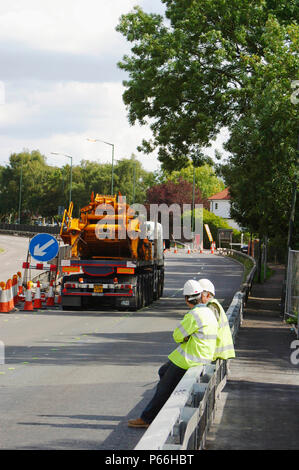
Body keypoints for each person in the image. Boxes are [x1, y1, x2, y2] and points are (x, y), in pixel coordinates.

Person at [128, 279, 218, 428]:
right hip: (199, 355)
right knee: (163, 371)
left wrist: (185, 336)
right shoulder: (208, 312)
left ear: (187, 299)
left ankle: (148, 418)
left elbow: (177, 335)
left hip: (189, 359)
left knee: (164, 388)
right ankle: (159, 410)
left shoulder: (194, 315)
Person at [198, 278, 235, 361]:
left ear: (207, 295)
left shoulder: (211, 307)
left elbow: (208, 329)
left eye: (199, 296)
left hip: (217, 352)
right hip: (221, 351)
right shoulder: (214, 304)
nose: (197, 299)